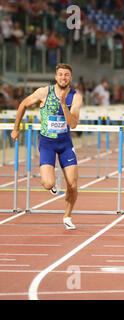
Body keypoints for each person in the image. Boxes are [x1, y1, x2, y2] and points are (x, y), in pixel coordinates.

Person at [10, 63, 83, 230]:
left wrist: (64, 106)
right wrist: (16, 128)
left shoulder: (76, 97)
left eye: (66, 75)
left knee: (72, 185)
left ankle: (67, 216)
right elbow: (23, 105)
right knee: (47, 183)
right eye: (60, 74)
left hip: (65, 144)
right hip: (47, 143)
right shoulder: (45, 92)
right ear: (56, 77)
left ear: (70, 78)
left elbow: (73, 124)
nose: (63, 77)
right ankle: (53, 184)